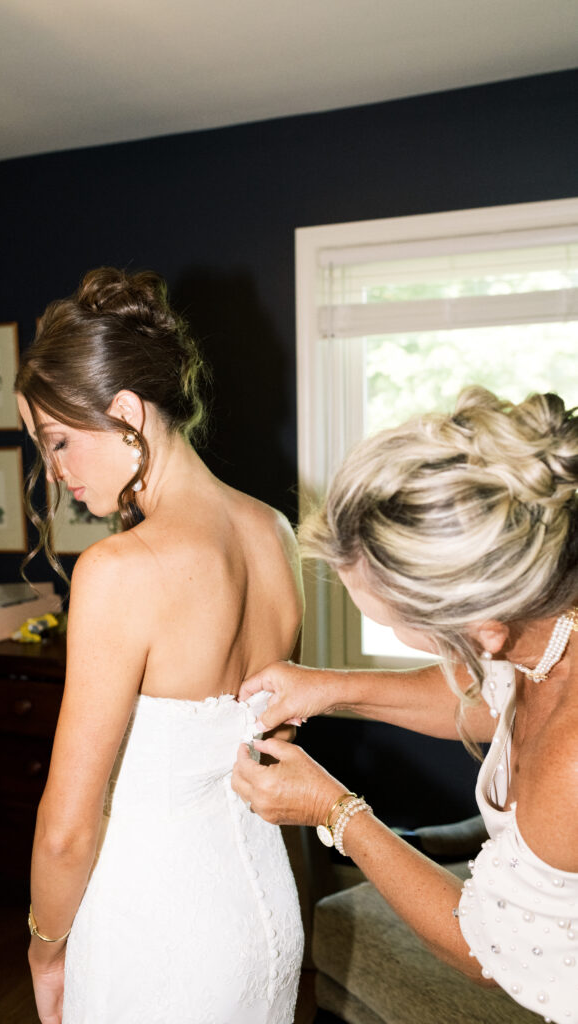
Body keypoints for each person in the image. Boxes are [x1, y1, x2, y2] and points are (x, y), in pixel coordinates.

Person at [232, 387, 578, 1024]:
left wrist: (334, 812)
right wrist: (332, 687)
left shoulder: (573, 757)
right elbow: (486, 703)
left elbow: (490, 950)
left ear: (483, 629)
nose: (392, 636)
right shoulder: (549, 623)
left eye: (394, 624)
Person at [15, 267, 304, 1024]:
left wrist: (46, 948)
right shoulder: (274, 533)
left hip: (157, 933)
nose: (55, 474)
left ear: (124, 413)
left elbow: (70, 827)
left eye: (59, 442)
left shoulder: (119, 571)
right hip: (264, 918)